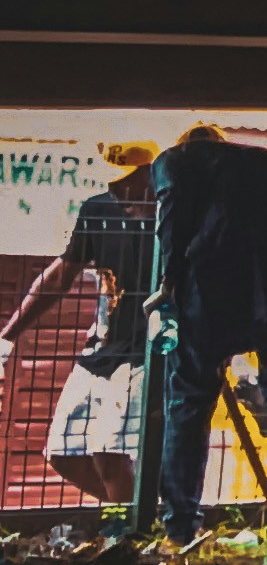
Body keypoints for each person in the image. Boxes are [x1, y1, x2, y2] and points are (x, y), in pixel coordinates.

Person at [143, 124, 267, 542]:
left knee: (188, 401)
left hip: (212, 288)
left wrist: (167, 285)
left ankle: (180, 528)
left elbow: (171, 223)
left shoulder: (175, 161)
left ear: (187, 144)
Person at [10, 141, 160, 505]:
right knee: (63, 454)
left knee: (111, 456)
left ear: (149, 175)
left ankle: (130, 528)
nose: (118, 189)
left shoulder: (170, 218)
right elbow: (62, 273)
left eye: (127, 181)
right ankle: (134, 514)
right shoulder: (98, 209)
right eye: (114, 182)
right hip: (101, 349)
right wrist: (9, 335)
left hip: (145, 353)